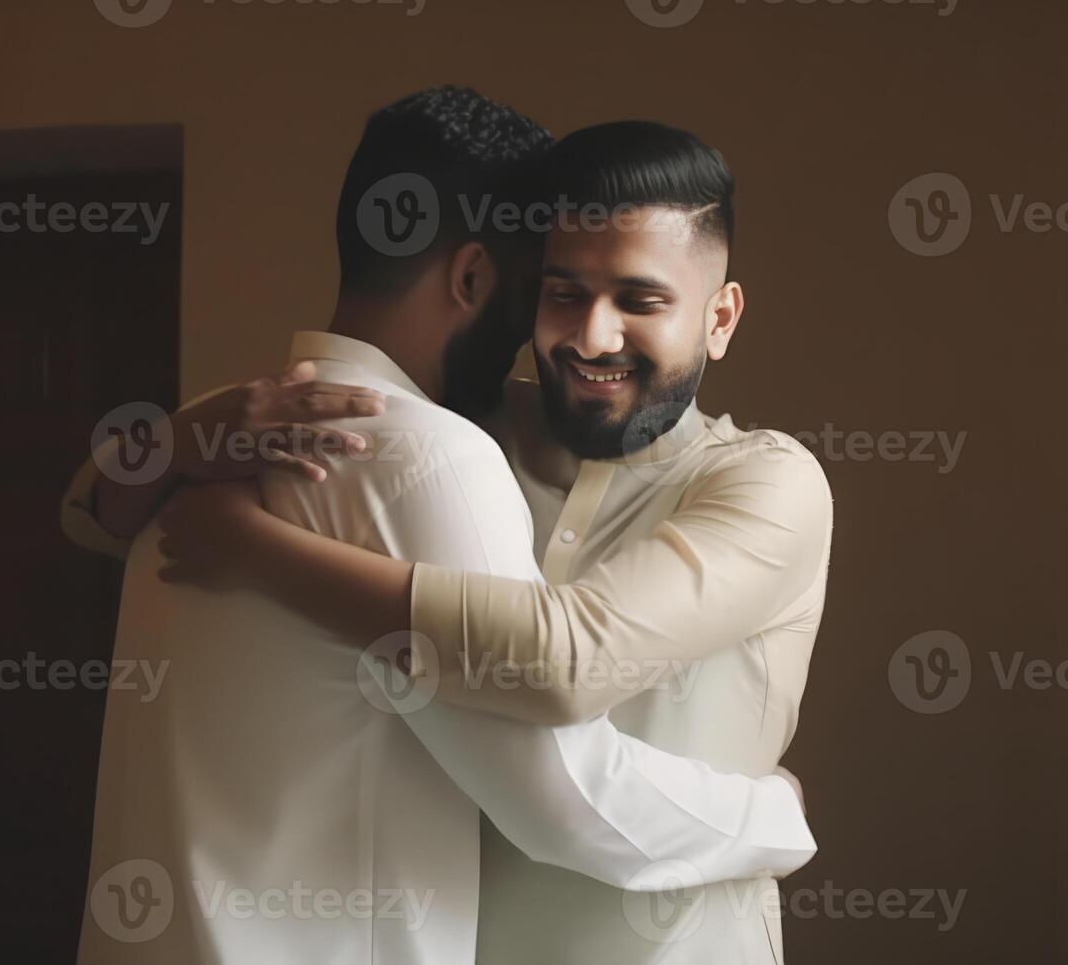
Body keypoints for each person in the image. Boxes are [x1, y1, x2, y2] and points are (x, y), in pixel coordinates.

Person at [63, 88, 815, 965]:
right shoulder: (439, 441)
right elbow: (90, 510)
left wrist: (242, 535)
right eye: (558, 292)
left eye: (639, 301)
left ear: (718, 317)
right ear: (478, 278)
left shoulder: (765, 480)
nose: (590, 337)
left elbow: (566, 658)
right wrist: (178, 440)